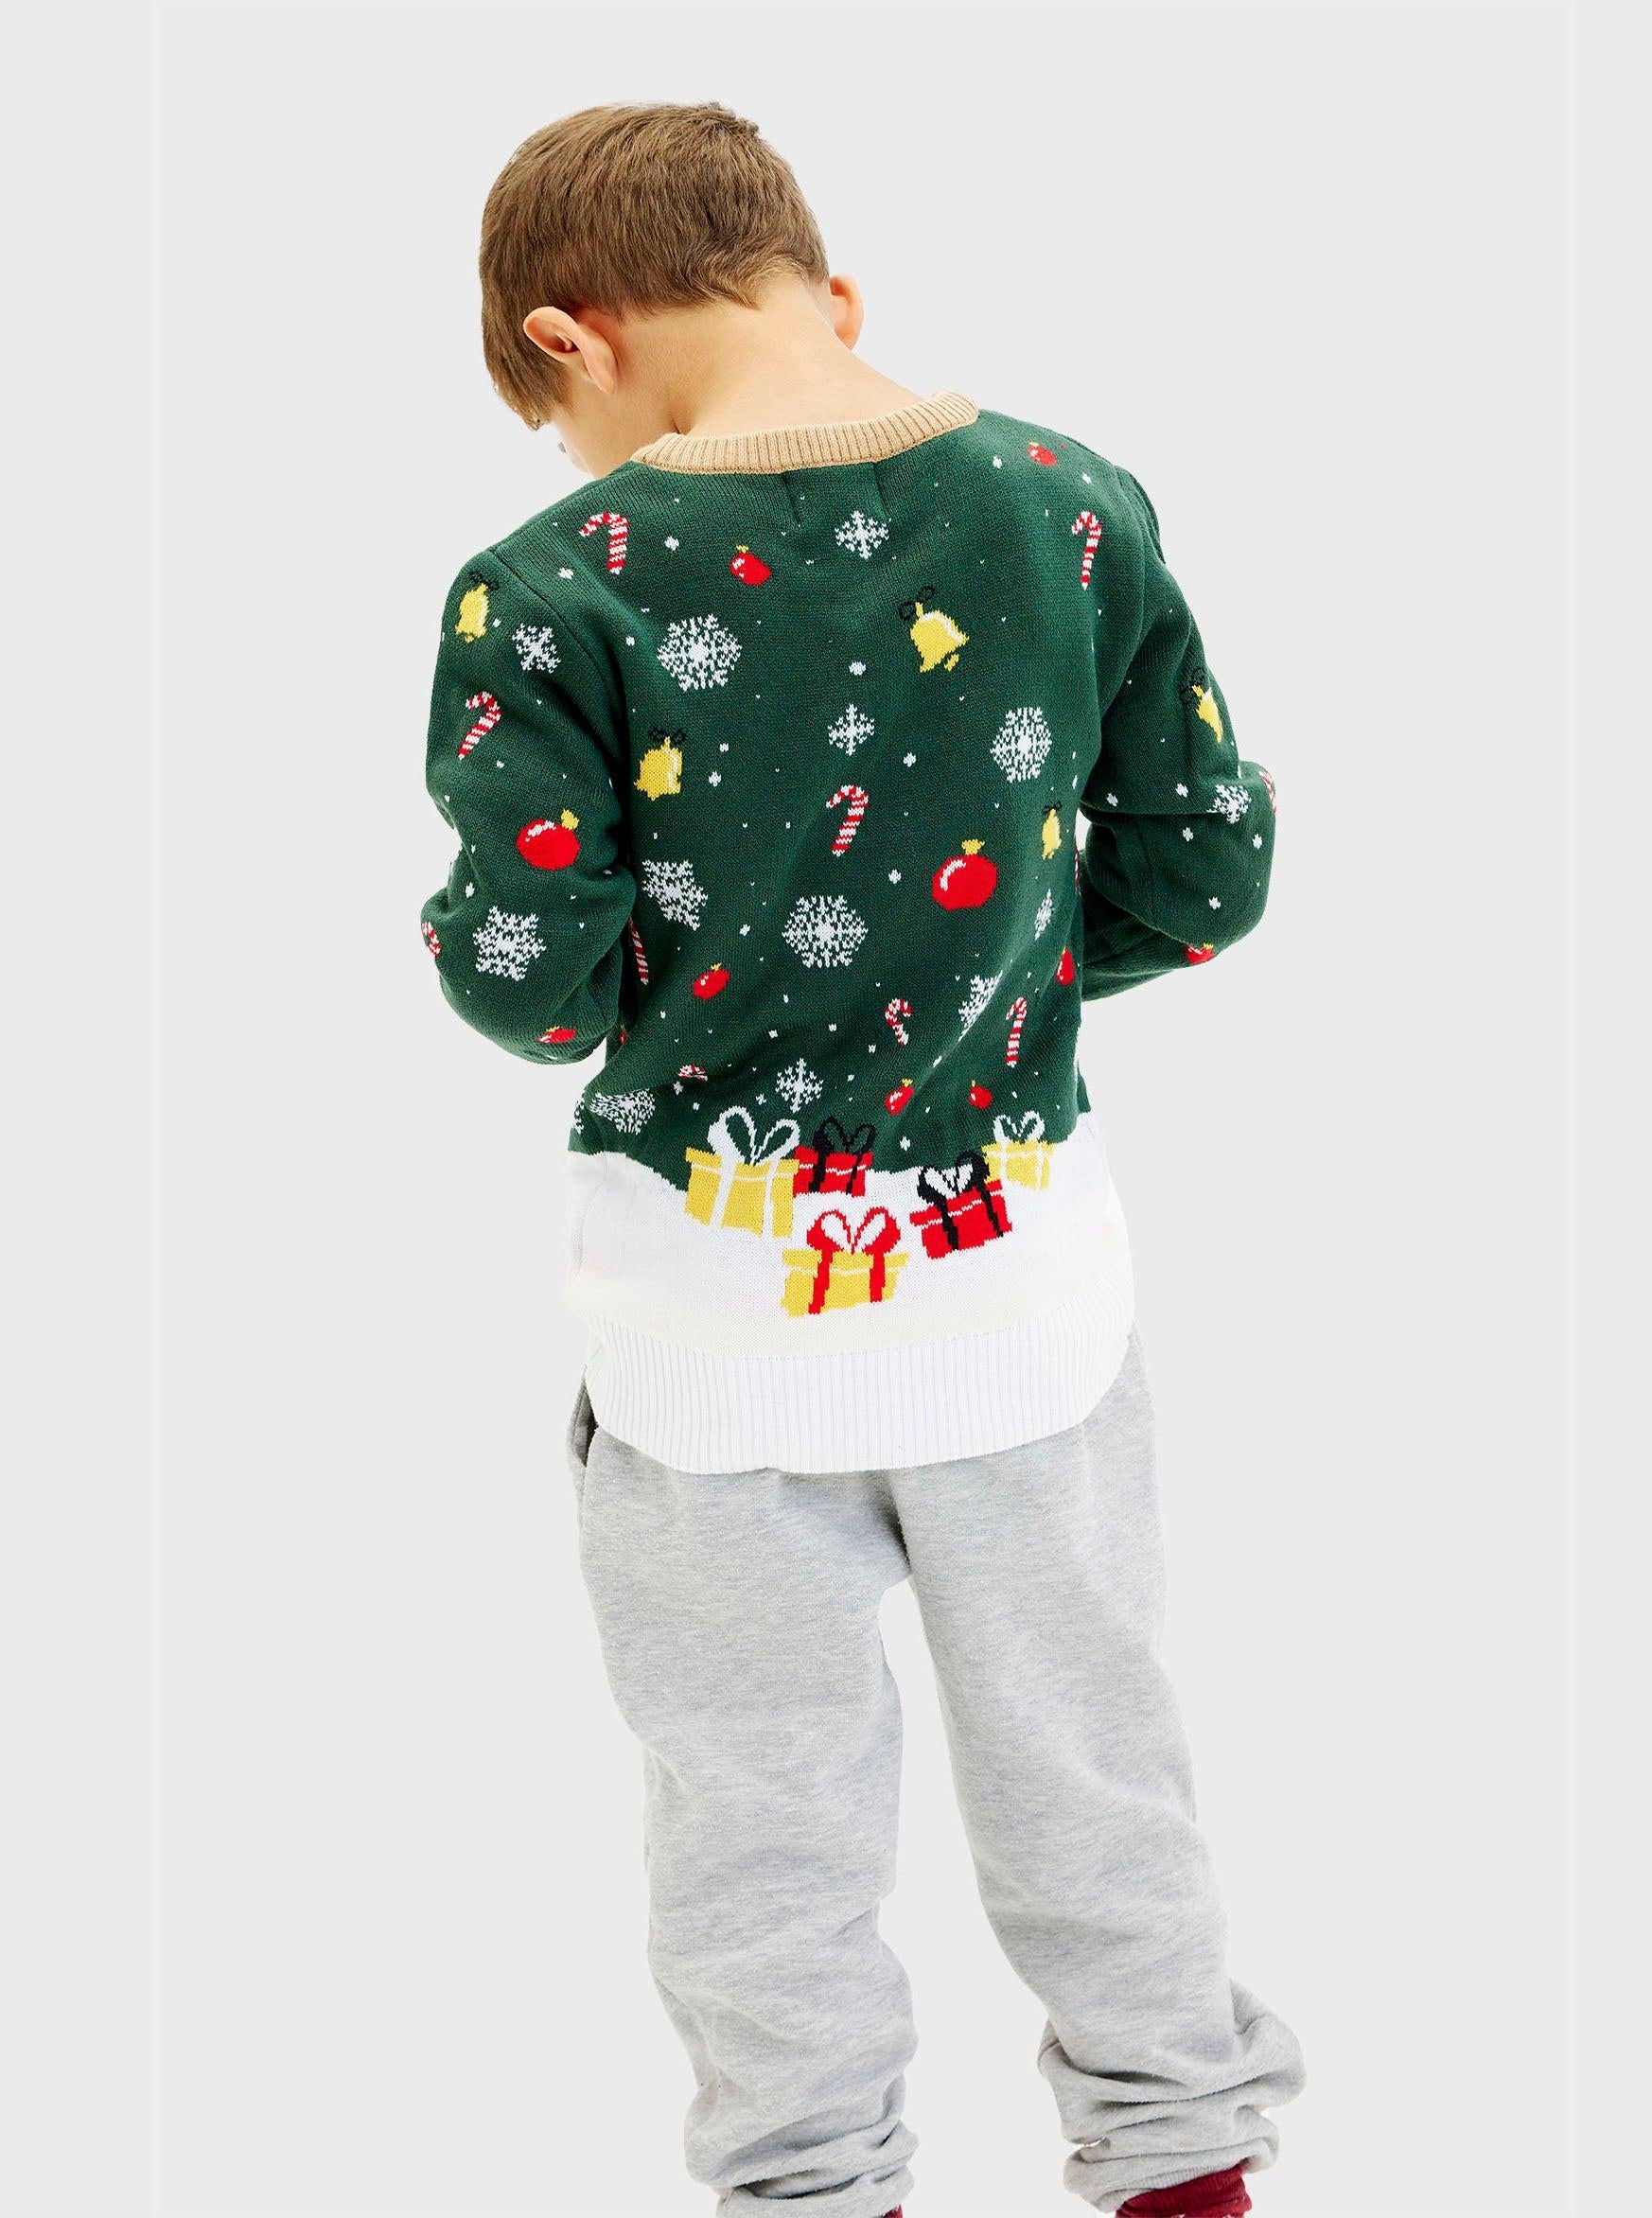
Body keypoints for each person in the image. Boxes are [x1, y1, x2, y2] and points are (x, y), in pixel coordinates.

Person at [419, 100, 1303, 2218]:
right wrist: (999, 973)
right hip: (1019, 1304)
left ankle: (814, 2189)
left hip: (709, 1340)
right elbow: (1204, 874)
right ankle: (1181, 2165)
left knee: (759, 1828)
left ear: (568, 340)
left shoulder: (550, 585)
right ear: (827, 293)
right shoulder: (1069, 507)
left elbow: (532, 988)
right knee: (1092, 1767)